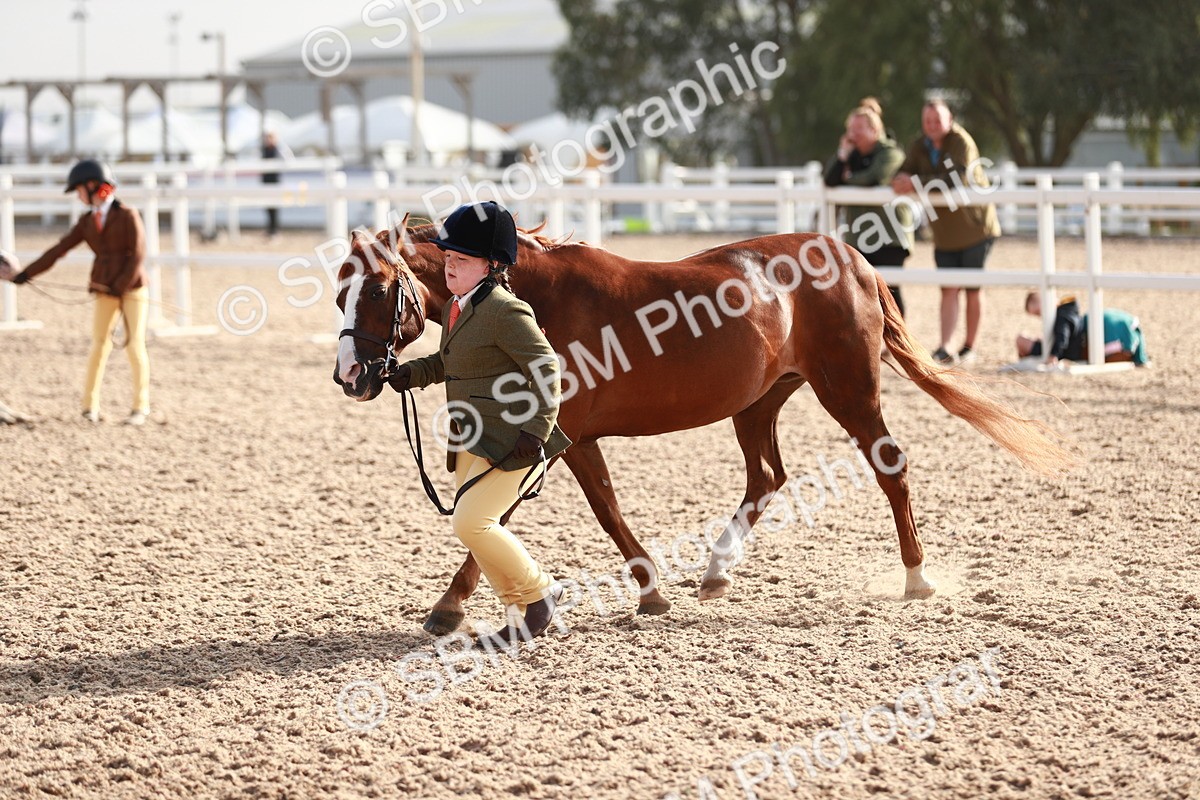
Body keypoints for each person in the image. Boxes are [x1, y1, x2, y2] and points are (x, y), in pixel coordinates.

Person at [388, 201, 571, 646]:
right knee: (480, 522)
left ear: (491, 265)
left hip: (514, 437)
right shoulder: (458, 306)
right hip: (472, 436)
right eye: (449, 259)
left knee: (472, 523)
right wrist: (410, 373)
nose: (451, 267)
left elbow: (546, 367)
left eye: (462, 261)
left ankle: (542, 592)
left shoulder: (506, 311)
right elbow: (448, 361)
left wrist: (538, 431)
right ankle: (523, 606)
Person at [2, 160, 150, 425]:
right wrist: (25, 274)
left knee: (133, 344)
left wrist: (122, 284)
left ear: (93, 186)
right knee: (99, 345)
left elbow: (138, 254)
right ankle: (89, 407)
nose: (79, 196)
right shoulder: (87, 221)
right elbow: (59, 250)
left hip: (131, 289)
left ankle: (140, 408)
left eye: (80, 190)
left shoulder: (128, 215)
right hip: (104, 288)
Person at [892, 99, 1001, 365]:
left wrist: (914, 183)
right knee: (948, 288)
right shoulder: (919, 145)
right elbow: (903, 172)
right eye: (927, 121)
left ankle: (969, 347)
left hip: (975, 227)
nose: (932, 126)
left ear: (949, 120)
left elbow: (956, 179)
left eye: (937, 120)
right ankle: (945, 346)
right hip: (944, 232)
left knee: (973, 288)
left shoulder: (961, 142)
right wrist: (900, 180)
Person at [824, 105, 912, 317]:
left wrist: (848, 179)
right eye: (850, 129)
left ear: (874, 130)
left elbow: (874, 178)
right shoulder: (851, 155)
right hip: (859, 235)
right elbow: (829, 180)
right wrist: (843, 154)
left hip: (888, 234)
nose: (852, 134)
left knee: (890, 291)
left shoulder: (890, 153)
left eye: (858, 129)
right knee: (861, 290)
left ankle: (896, 342)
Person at [1017, 292, 1150, 366]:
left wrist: (1053, 355)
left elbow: (1062, 336)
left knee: (1021, 339)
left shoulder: (1062, 316)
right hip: (1119, 334)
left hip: (1074, 348)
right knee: (1027, 339)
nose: (1040, 316)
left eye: (1038, 312)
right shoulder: (1069, 310)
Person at [261, 132, 291, 240]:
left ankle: (275, 230)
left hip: (275, 181)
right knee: (268, 207)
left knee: (275, 207)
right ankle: (270, 229)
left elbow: (288, 159)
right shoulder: (264, 149)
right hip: (266, 181)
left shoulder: (279, 149)